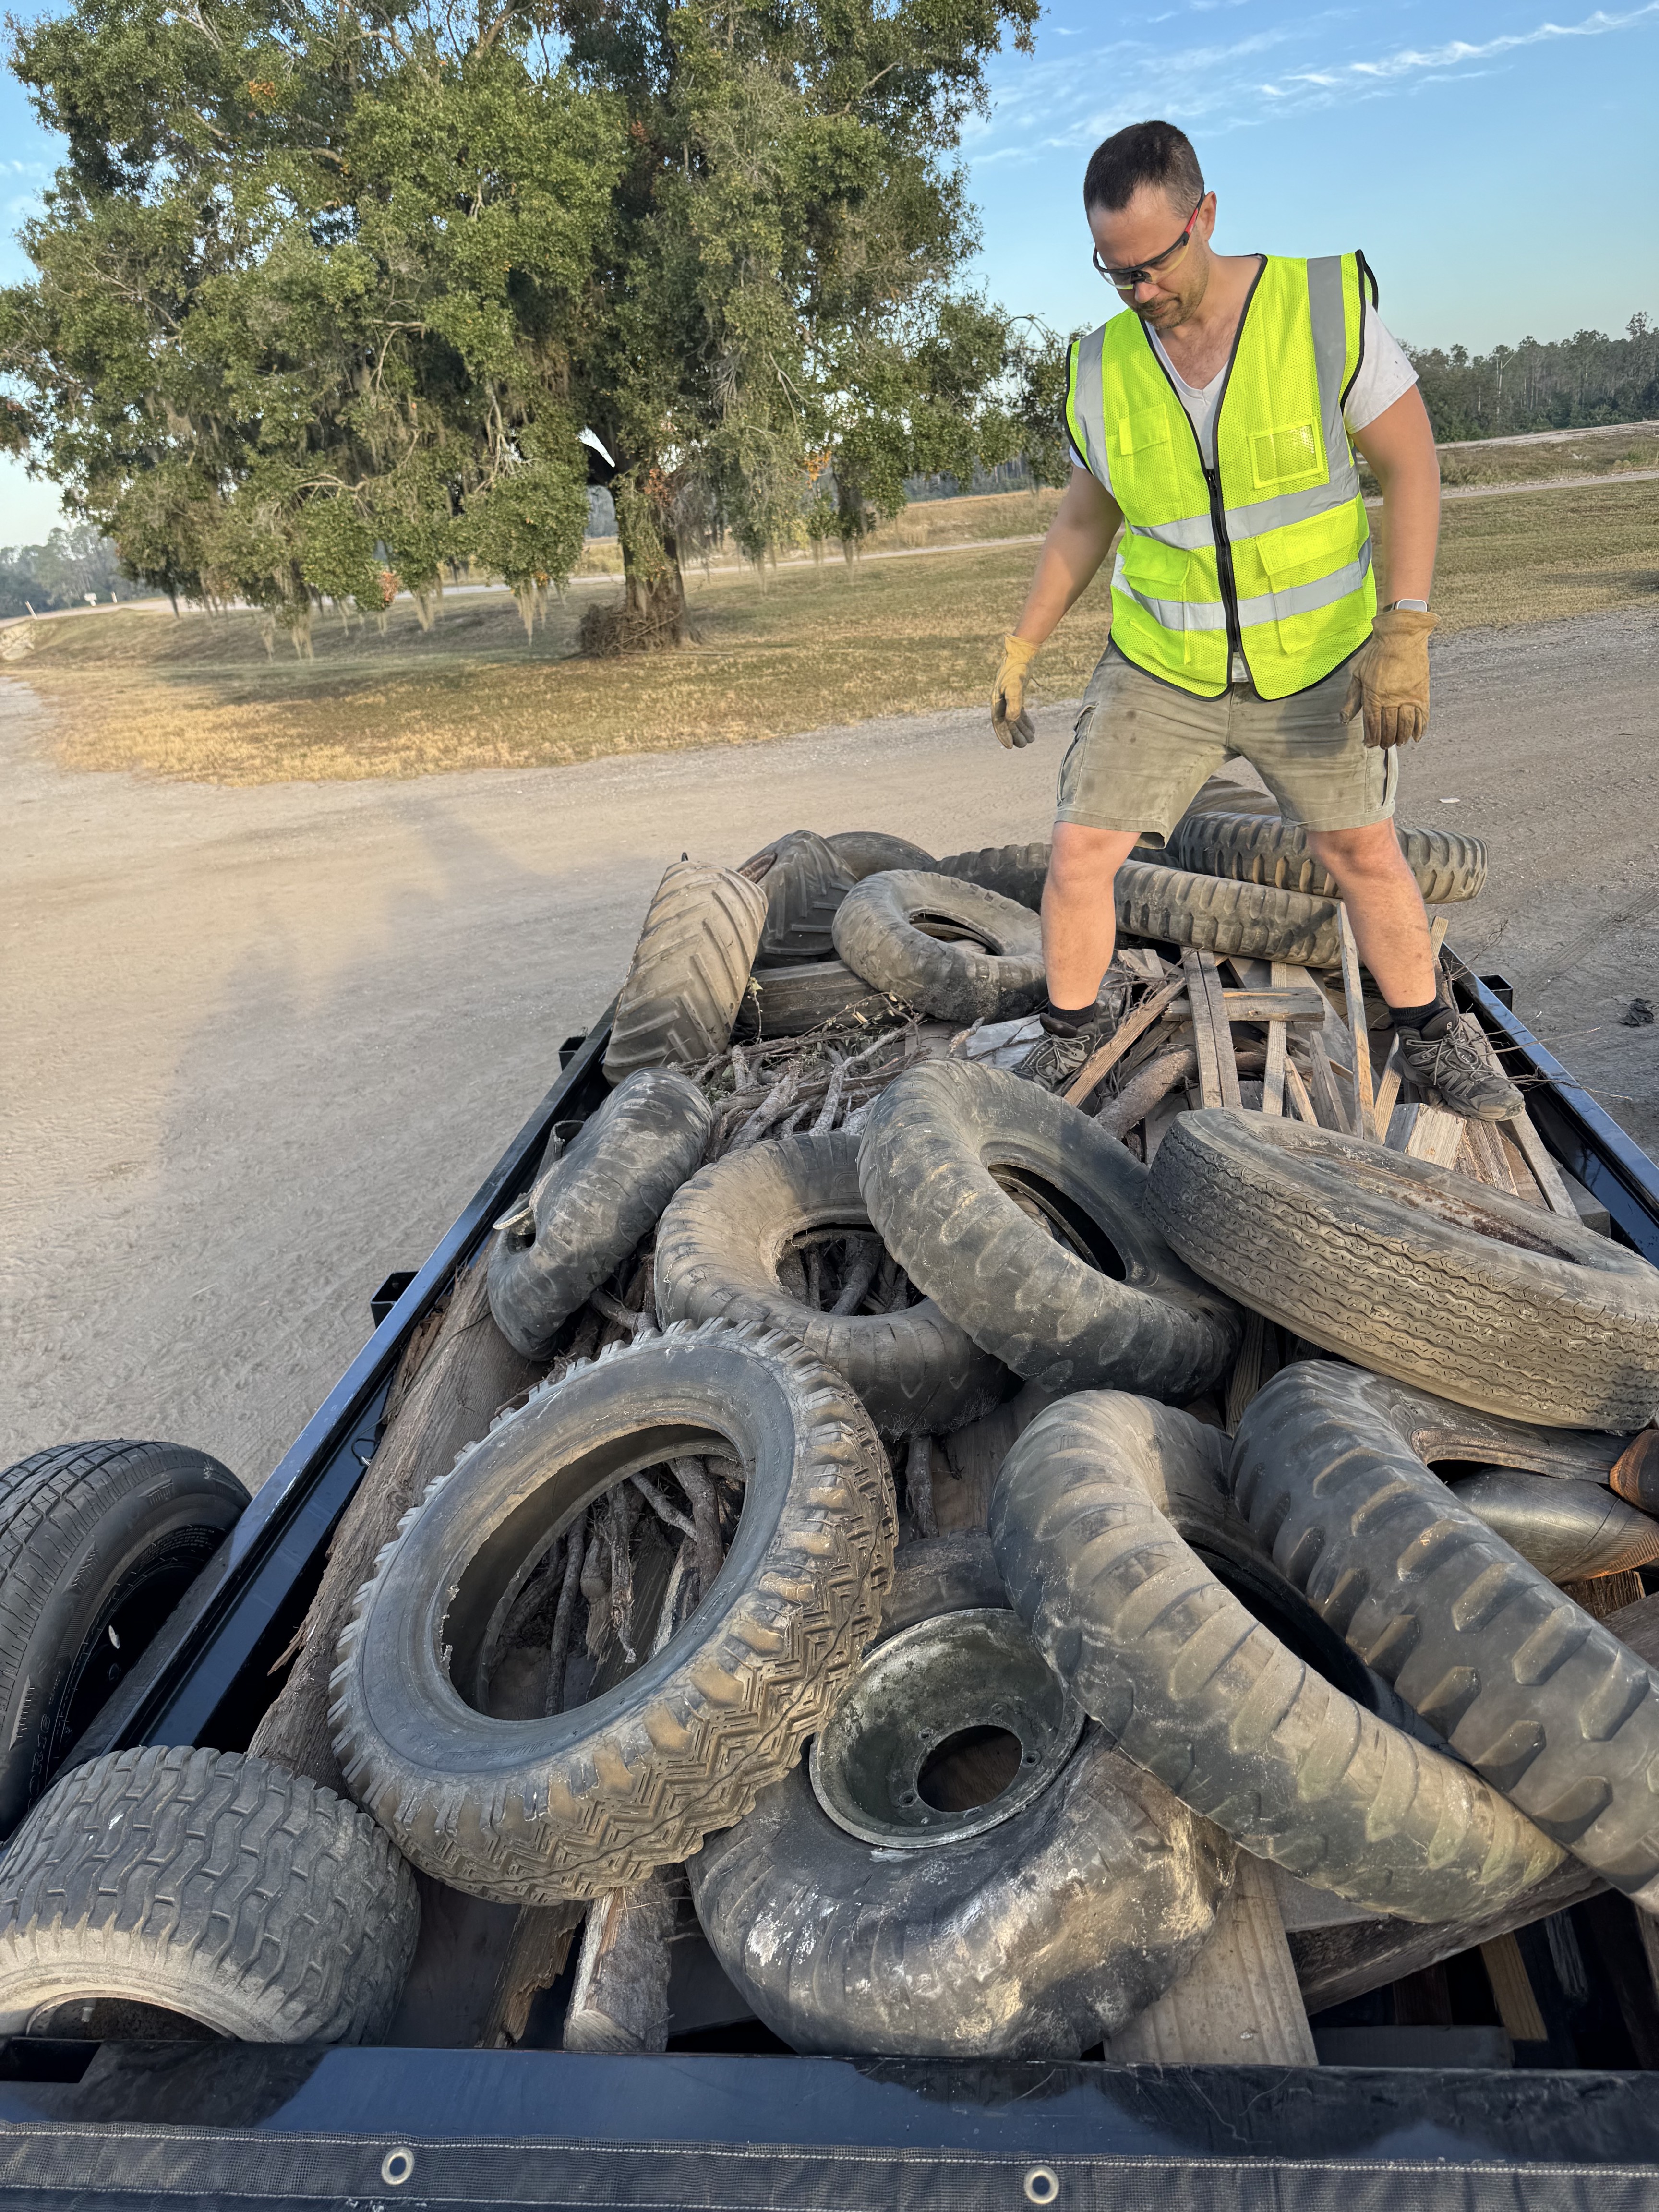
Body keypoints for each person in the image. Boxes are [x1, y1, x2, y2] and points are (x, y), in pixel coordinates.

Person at [992, 119, 1519, 1122]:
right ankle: (1072, 1038)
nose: (1139, 290)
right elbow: (1087, 515)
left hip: (1315, 660)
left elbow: (1410, 462)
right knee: (1080, 854)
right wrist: (1025, 644)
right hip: (1163, 664)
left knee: (1363, 853)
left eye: (1154, 263)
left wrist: (1406, 626)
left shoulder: (1318, 308)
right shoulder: (1104, 366)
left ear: (1205, 216)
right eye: (1115, 271)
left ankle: (1433, 1034)